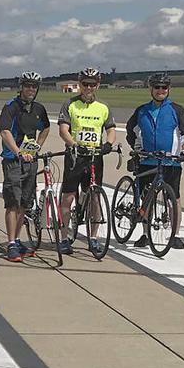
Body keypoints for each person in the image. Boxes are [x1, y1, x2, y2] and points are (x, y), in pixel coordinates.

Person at [126, 73, 184, 250]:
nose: (160, 90)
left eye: (164, 87)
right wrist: (137, 148)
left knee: (174, 199)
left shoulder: (177, 110)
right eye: (157, 87)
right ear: (151, 89)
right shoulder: (142, 110)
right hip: (147, 161)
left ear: (168, 89)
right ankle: (145, 234)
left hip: (171, 163)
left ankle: (176, 235)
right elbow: (130, 130)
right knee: (146, 197)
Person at [57, 67, 116, 255]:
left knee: (95, 197)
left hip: (94, 156)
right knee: (68, 197)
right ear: (79, 84)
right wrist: (73, 144)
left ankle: (93, 237)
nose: (88, 87)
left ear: (97, 85)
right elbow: (63, 129)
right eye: (85, 84)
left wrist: (108, 144)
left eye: (92, 84)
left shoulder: (103, 107)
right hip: (75, 156)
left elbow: (111, 129)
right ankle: (65, 238)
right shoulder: (70, 104)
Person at [0, 71, 50, 262]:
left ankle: (18, 239)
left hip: (31, 161)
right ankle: (11, 243)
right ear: (21, 87)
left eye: (34, 86)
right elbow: (4, 131)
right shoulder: (11, 107)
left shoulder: (38, 108)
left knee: (24, 204)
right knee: (12, 202)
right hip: (13, 160)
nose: (31, 89)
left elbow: (45, 127)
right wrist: (18, 152)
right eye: (27, 85)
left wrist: (37, 148)